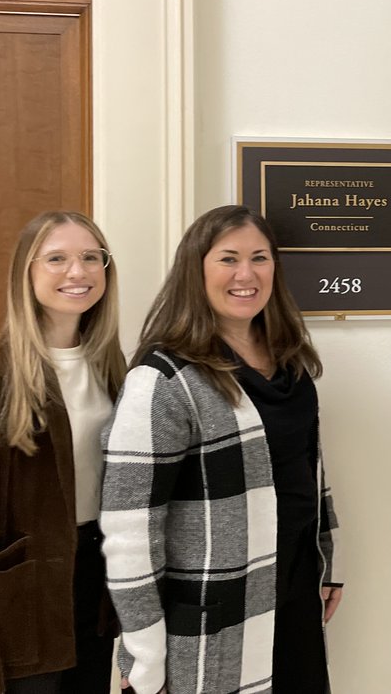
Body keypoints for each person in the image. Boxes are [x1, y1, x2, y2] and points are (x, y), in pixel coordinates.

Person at [100, 204, 342, 694]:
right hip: (214, 612)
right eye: (228, 259)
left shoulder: (291, 362)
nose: (246, 275)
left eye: (260, 258)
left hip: (295, 594)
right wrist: (142, 654)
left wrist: (327, 563)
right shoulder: (163, 379)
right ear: (197, 270)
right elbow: (131, 528)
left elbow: (309, 474)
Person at [0, 211, 126, 694]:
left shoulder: (113, 367)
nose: (78, 272)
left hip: (94, 582)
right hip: (22, 596)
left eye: (91, 258)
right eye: (57, 259)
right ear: (27, 272)